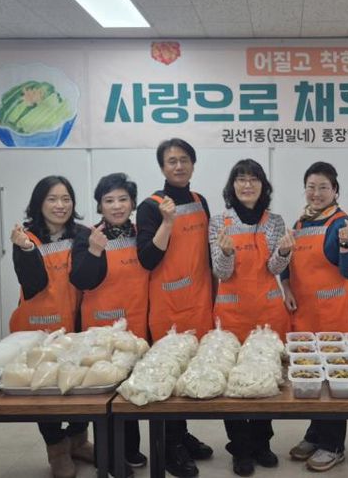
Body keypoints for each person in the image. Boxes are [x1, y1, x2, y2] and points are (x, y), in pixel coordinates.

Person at [209, 159, 294, 476]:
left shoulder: (275, 221)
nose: (247, 185)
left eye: (253, 179)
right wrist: (226, 253)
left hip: (268, 313)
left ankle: (262, 443)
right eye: (241, 179)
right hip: (231, 314)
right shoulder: (219, 222)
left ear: (263, 186)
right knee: (232, 383)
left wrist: (284, 252)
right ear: (232, 186)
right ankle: (240, 447)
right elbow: (221, 273)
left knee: (266, 379)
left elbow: (273, 269)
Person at [136, 139, 214, 477]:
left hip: (200, 301)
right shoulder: (151, 207)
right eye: (171, 161)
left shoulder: (200, 201)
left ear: (193, 164)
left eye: (184, 160)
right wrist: (167, 223)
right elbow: (147, 258)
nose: (179, 166)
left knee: (190, 372)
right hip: (168, 306)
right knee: (167, 375)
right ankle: (168, 447)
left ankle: (181, 435)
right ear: (162, 167)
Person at [9, 175, 93, 478]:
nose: (60, 205)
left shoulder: (82, 234)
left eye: (66, 199)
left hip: (75, 325)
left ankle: (78, 440)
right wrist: (26, 249)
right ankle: (56, 448)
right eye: (52, 199)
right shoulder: (26, 237)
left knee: (81, 386)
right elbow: (32, 283)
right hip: (37, 330)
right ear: (39, 203)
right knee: (43, 392)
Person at [282, 161, 348, 472]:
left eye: (323, 187)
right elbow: (287, 263)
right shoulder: (300, 223)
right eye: (311, 187)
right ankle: (315, 434)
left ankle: (333, 445)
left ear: (335, 191)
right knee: (312, 376)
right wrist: (286, 286)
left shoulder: (342, 223)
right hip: (304, 313)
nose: (316, 193)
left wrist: (347, 244)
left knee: (333, 379)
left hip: (333, 315)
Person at [69, 173, 147, 473]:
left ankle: (131, 449)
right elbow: (81, 279)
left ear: (132, 203)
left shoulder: (142, 234)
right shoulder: (87, 236)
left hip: (136, 325)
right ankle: (109, 456)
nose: (117, 206)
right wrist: (94, 250)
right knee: (104, 394)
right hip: (100, 329)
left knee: (132, 389)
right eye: (109, 200)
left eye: (123, 199)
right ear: (100, 206)